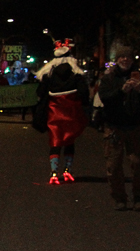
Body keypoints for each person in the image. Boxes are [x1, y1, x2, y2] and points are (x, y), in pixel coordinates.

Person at [33, 38, 88, 184]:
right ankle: (67, 171)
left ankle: (53, 173)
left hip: (54, 112)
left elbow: (40, 92)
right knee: (70, 140)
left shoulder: (49, 74)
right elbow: (84, 93)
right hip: (72, 112)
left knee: (55, 141)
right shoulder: (76, 73)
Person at [97, 44, 140, 210]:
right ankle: (120, 198)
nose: (125, 59)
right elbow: (105, 98)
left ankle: (138, 197)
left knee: (137, 164)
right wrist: (122, 91)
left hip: (135, 127)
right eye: (122, 57)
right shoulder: (108, 79)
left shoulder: (138, 76)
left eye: (128, 57)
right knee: (114, 166)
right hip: (114, 127)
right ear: (116, 60)